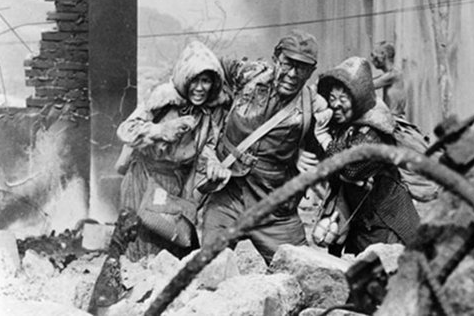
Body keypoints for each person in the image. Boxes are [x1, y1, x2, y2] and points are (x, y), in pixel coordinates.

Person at [200, 29, 332, 264]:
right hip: (227, 197)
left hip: (274, 209)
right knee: (210, 266)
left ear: (311, 72)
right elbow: (207, 67)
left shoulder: (314, 106)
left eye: (302, 68)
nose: (293, 74)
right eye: (288, 63)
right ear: (275, 58)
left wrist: (305, 150)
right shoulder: (249, 75)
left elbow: (329, 151)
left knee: (299, 268)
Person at [116, 40, 230, 262]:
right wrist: (159, 130)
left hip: (175, 185)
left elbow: (207, 146)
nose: (199, 88)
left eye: (206, 80)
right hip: (143, 179)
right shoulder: (162, 99)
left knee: (173, 246)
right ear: (184, 78)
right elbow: (125, 130)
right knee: (138, 249)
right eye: (194, 80)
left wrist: (213, 163)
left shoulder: (209, 112)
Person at [315, 56, 420, 256]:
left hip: (386, 220)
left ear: (358, 99)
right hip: (360, 218)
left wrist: (324, 139)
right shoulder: (345, 125)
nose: (335, 105)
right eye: (332, 98)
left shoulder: (373, 132)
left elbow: (351, 169)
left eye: (343, 99)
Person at [370, 41, 406, 116]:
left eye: (374, 55)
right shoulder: (390, 74)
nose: (372, 60)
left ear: (383, 54)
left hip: (394, 118)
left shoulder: (394, 74)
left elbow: (369, 85)